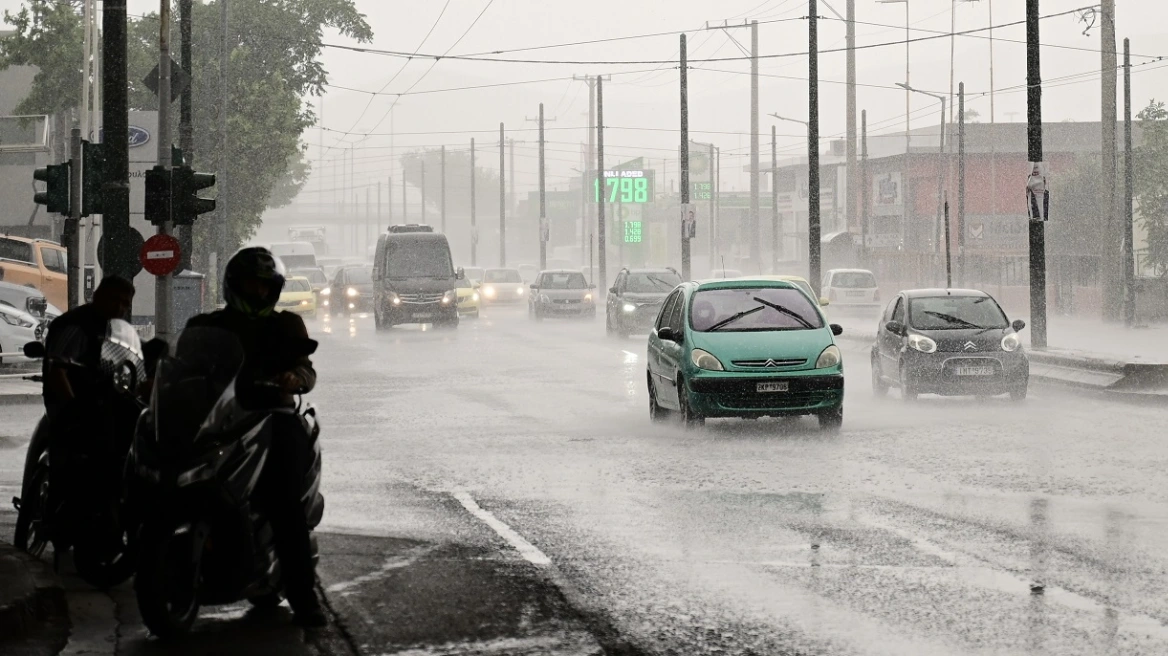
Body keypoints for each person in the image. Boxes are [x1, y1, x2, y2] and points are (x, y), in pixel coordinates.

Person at [184, 247, 325, 627]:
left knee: (284, 502)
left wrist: (295, 379)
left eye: (266, 287)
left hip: (271, 419)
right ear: (233, 285)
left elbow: (305, 369)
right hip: (217, 420)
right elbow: (183, 366)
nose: (259, 294)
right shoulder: (207, 325)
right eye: (251, 285)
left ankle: (304, 598)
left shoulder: (287, 326)